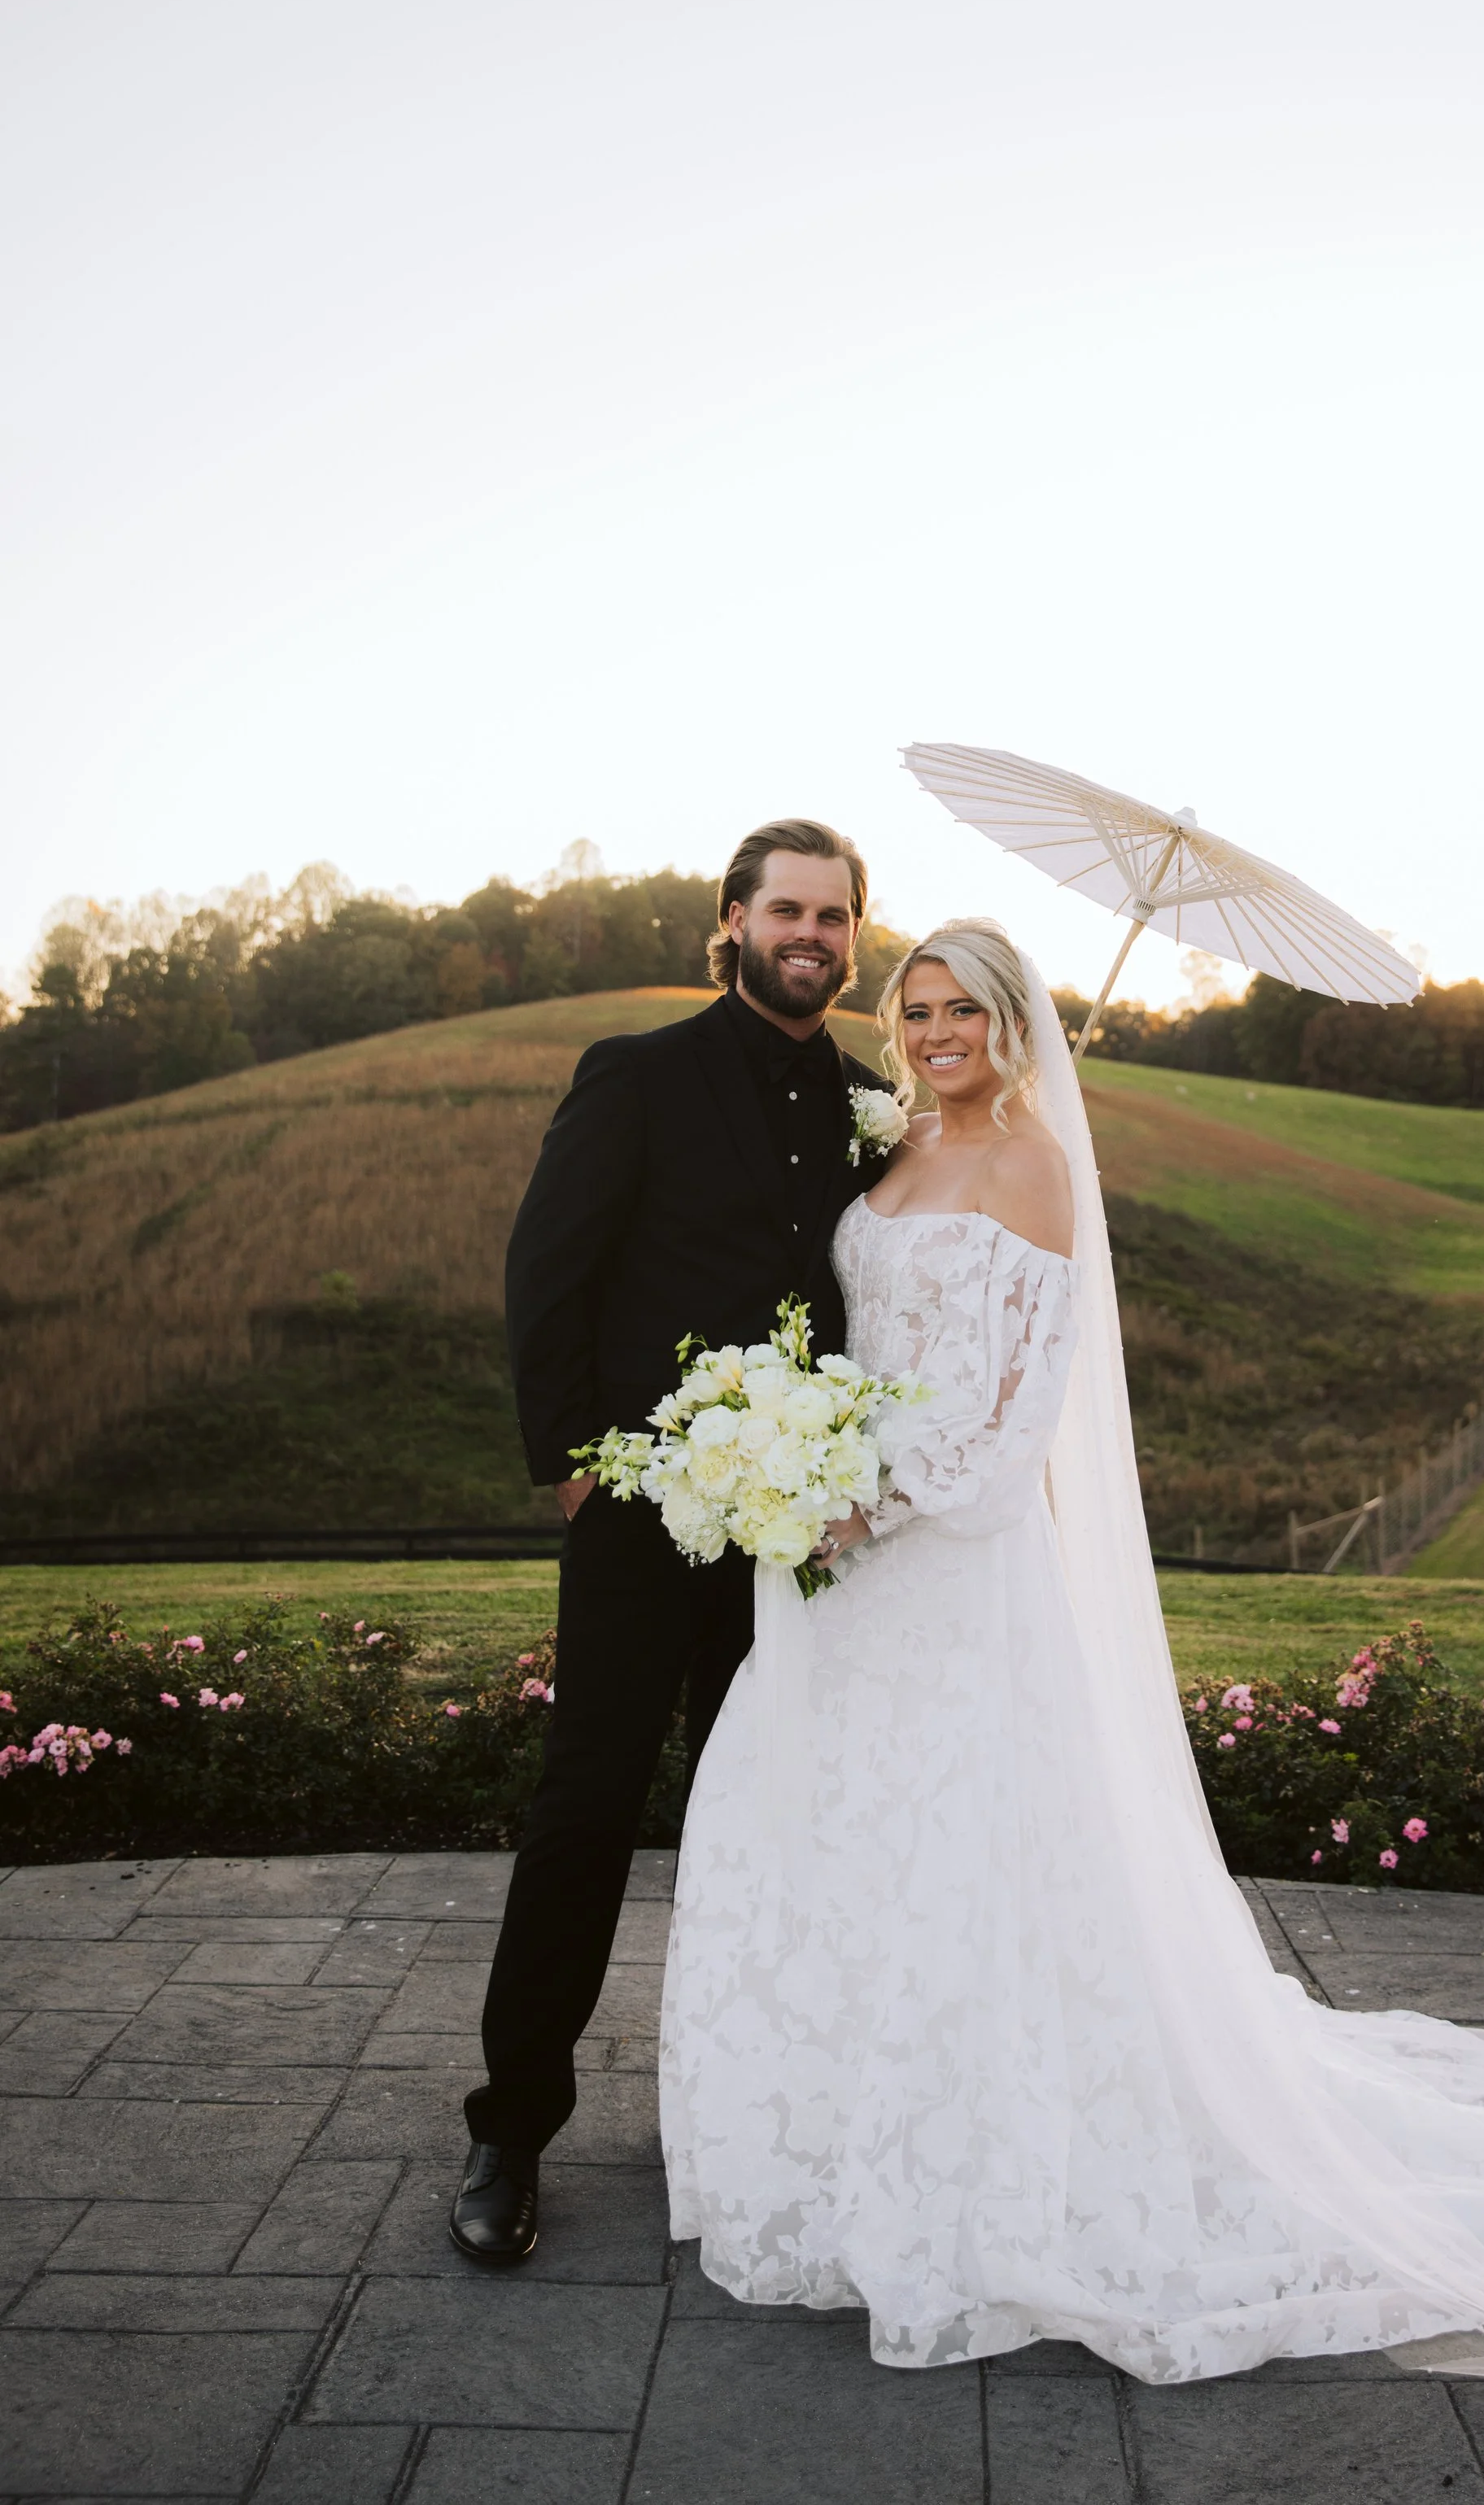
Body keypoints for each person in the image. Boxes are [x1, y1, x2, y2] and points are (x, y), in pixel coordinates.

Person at [658, 916, 1484, 2394]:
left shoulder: (1039, 1169)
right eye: (917, 1007)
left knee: (968, 1863)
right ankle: (833, 2120)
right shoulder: (894, 1145)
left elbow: (1014, 1420)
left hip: (952, 1566)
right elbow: (870, 1348)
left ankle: (979, 2154)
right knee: (838, 1837)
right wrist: (797, 1463)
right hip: (844, 1565)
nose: (934, 1031)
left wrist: (878, 1496)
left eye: (963, 1011)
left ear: (1010, 1021)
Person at [450, 818, 893, 2264]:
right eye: (787, 910)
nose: (810, 935)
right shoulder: (636, 1073)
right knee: (586, 1811)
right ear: (734, 919)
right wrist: (576, 1473)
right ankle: (510, 2130)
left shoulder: (880, 1105)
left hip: (790, 1540)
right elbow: (546, 1271)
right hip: (641, 1517)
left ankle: (740, 2111)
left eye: (834, 915)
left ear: (853, 932)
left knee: (761, 1822)